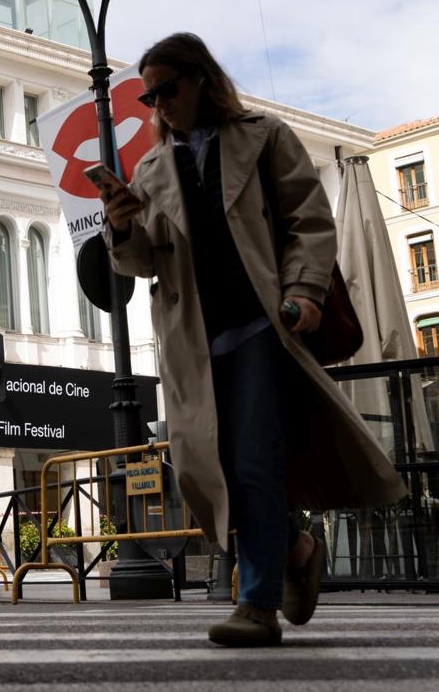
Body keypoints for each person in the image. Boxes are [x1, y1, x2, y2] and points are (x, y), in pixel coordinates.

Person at [101, 32, 405, 646]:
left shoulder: (265, 137)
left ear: (202, 80)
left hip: (265, 325)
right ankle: (295, 546)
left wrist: (305, 292)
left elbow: (308, 220)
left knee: (254, 462)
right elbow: (143, 263)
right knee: (209, 470)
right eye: (149, 97)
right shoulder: (154, 166)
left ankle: (257, 602)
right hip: (194, 343)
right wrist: (120, 225)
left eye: (168, 90)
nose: (159, 105)